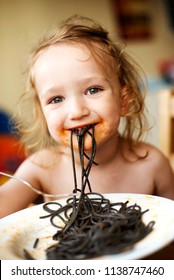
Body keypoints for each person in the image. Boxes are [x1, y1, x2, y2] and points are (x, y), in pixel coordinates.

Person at [0, 15, 174, 218]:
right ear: (42, 113)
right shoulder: (40, 168)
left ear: (123, 101)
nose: (77, 111)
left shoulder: (151, 164)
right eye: (56, 99)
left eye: (93, 90)